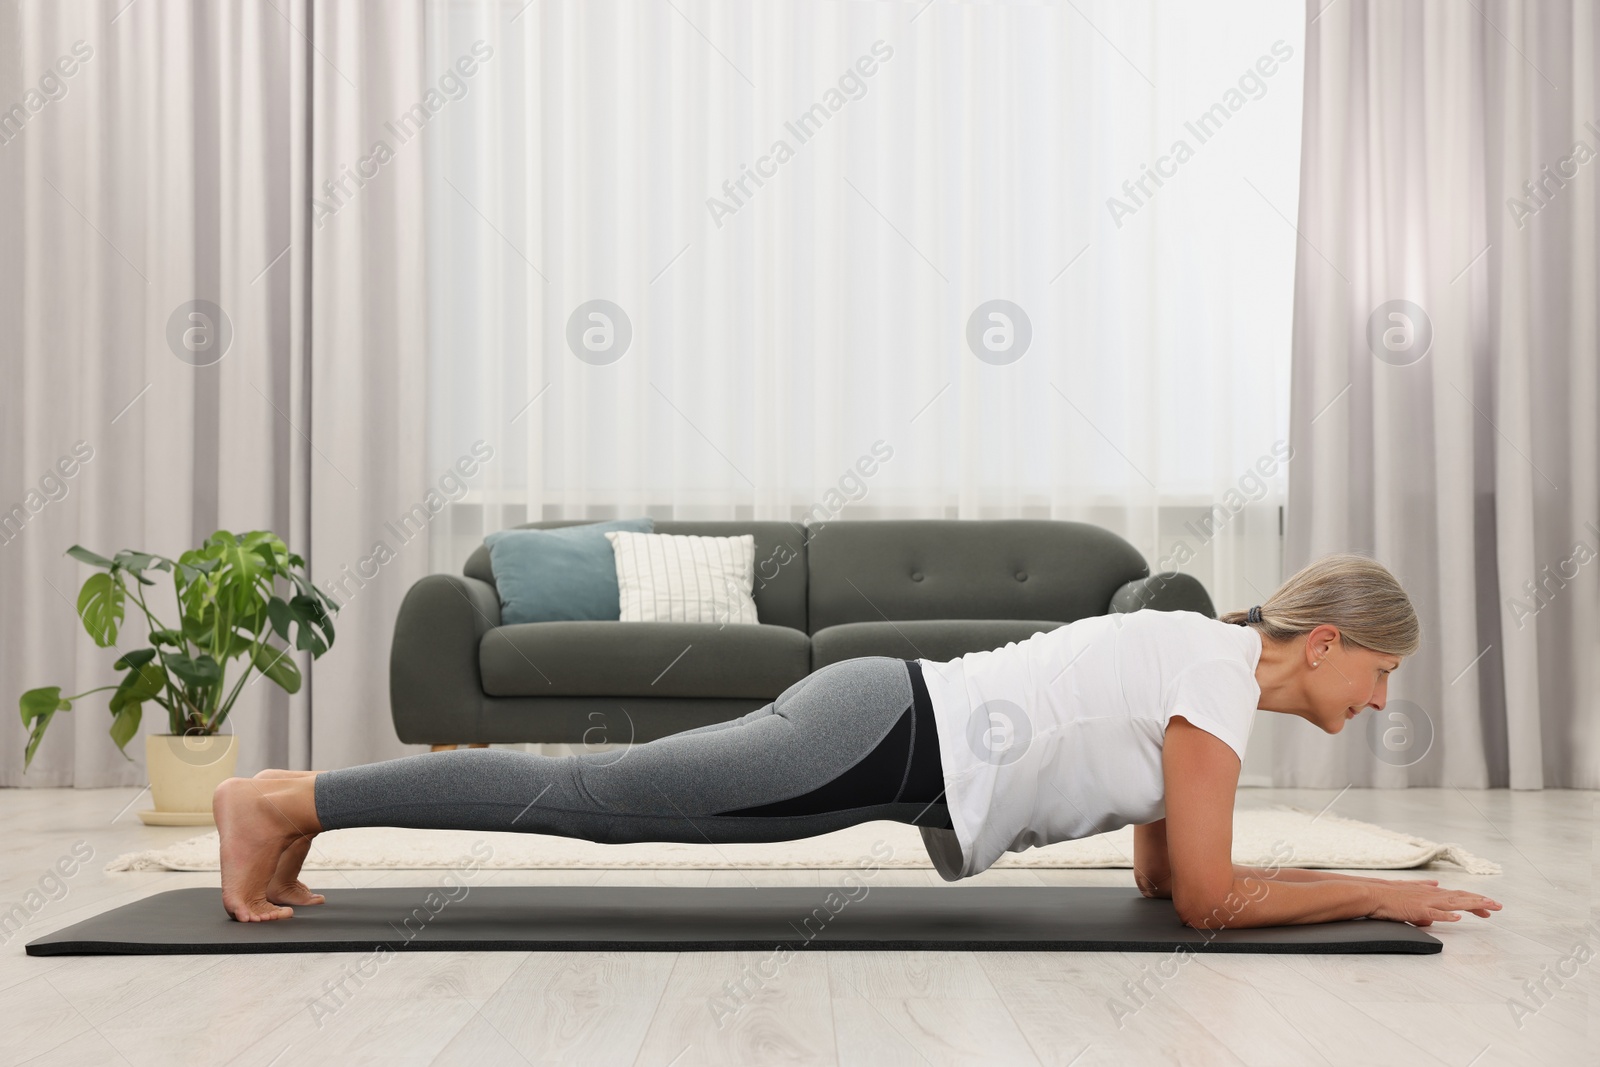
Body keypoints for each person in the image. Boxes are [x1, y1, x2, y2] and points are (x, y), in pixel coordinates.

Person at [214, 552, 1503, 929]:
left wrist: (1338, 896)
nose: (1381, 704)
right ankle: (283, 802)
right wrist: (1381, 896)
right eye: (1382, 675)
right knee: (591, 797)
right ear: (1327, 641)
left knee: (595, 796)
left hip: (881, 728)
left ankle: (291, 805)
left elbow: (1172, 882)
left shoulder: (1203, 670)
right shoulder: (1213, 674)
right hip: (879, 735)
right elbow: (1218, 898)